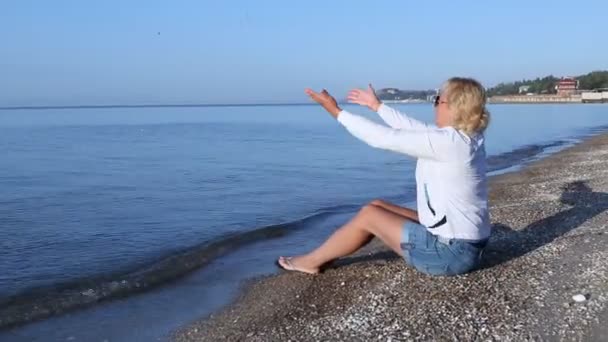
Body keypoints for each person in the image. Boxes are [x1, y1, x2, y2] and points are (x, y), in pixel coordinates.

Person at [277, 77, 491, 276]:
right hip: (468, 247)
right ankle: (331, 253)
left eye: (438, 100)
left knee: (369, 215)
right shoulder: (466, 138)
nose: (434, 105)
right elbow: (413, 129)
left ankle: (311, 261)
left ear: (454, 106)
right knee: (377, 205)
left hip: (450, 256)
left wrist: (335, 112)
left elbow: (383, 138)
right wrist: (376, 106)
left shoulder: (449, 143)